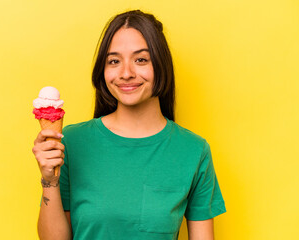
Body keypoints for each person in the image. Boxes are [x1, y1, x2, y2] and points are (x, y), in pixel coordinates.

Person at [32, 10, 226, 240]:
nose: (126, 73)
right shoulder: (70, 142)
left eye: (141, 60)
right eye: (114, 61)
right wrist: (49, 180)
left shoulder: (194, 151)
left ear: (161, 65)